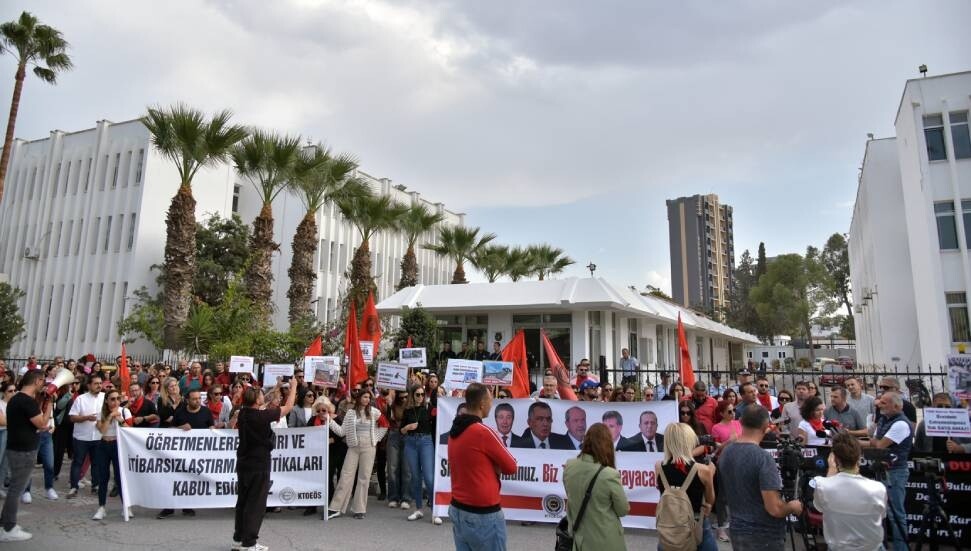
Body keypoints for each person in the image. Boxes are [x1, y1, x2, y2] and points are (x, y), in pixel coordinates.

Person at [718, 407, 802, 550]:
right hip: (763, 534)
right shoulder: (762, 458)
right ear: (766, 426)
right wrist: (793, 506)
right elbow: (774, 508)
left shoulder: (727, 451)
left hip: (737, 529)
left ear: (741, 422)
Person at [447, 383, 517, 550]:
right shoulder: (483, 432)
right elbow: (512, 467)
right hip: (482, 514)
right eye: (490, 400)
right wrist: (495, 467)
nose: (492, 404)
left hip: (458, 507)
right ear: (482, 404)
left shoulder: (454, 429)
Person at [233, 382, 297, 551]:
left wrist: (276, 388)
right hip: (258, 463)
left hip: (244, 463)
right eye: (261, 394)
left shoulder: (244, 413)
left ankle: (241, 537)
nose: (264, 396)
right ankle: (250, 543)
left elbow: (266, 404)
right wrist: (295, 387)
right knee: (255, 504)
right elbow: (288, 406)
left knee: (244, 502)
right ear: (256, 400)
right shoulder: (261, 416)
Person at [812, 431, 887, 550]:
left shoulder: (822, 484)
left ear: (834, 459)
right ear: (859, 458)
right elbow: (881, 516)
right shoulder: (878, 488)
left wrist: (832, 468)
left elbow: (820, 507)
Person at [0, 371, 52, 542]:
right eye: (42, 381)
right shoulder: (28, 401)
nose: (43, 384)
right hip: (24, 451)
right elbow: (42, 424)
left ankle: (5, 524)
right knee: (16, 490)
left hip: (15, 448)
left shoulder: (15, 398)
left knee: (14, 488)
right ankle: (8, 528)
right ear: (37, 381)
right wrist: (49, 404)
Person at [562, 423, 630, 550]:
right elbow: (623, 509)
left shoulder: (569, 466)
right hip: (606, 541)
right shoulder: (609, 474)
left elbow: (571, 496)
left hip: (579, 540)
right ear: (607, 445)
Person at [861, 391, 911, 551]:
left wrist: (875, 442)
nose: (879, 405)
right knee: (878, 513)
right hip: (880, 469)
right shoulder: (883, 419)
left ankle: (901, 548)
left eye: (883, 403)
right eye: (880, 402)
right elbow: (873, 442)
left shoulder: (901, 424)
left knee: (896, 514)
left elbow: (880, 444)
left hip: (895, 472)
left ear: (896, 406)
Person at [655, 422, 717, 551]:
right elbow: (710, 500)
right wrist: (711, 473)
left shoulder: (658, 467)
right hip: (696, 524)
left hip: (669, 525)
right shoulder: (703, 470)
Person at [326, 390, 387, 519]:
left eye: (368, 397)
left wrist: (376, 438)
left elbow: (385, 425)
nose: (367, 399)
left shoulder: (374, 412)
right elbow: (342, 432)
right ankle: (335, 507)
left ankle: (359, 509)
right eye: (364, 397)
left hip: (369, 447)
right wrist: (329, 421)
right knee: (345, 475)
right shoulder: (350, 413)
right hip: (353, 447)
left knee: (364, 478)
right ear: (359, 398)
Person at [157, 389, 212, 520]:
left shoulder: (206, 412)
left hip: (199, 454)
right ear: (187, 400)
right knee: (175, 480)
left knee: (190, 480)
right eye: (194, 399)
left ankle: (187, 506)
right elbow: (170, 429)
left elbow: (211, 428)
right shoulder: (180, 413)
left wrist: (212, 430)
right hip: (180, 454)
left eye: (199, 398)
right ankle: (168, 508)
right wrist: (180, 428)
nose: (197, 401)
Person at [401, 384, 440, 524]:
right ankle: (418, 509)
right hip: (410, 443)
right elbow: (401, 430)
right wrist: (407, 427)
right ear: (412, 395)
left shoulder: (428, 408)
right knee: (416, 477)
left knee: (429, 478)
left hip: (426, 442)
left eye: (422, 394)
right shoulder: (407, 410)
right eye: (417, 394)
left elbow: (440, 407)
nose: (420, 397)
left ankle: (436, 511)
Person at [92, 388, 132, 520]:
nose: (115, 402)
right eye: (112, 399)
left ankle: (126, 507)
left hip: (118, 445)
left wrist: (119, 419)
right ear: (107, 401)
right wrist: (110, 416)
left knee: (120, 478)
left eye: (118, 399)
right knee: (103, 477)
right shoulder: (100, 413)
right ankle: (101, 507)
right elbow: (102, 431)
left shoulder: (125, 411)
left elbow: (130, 430)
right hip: (103, 445)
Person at [67, 374, 104, 499]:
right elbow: (72, 417)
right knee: (77, 462)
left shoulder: (105, 398)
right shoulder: (80, 399)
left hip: (98, 437)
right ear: (89, 385)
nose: (99, 385)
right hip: (81, 437)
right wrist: (86, 418)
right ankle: (73, 487)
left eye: (100, 383)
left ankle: (96, 486)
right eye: (96, 383)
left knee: (97, 463)